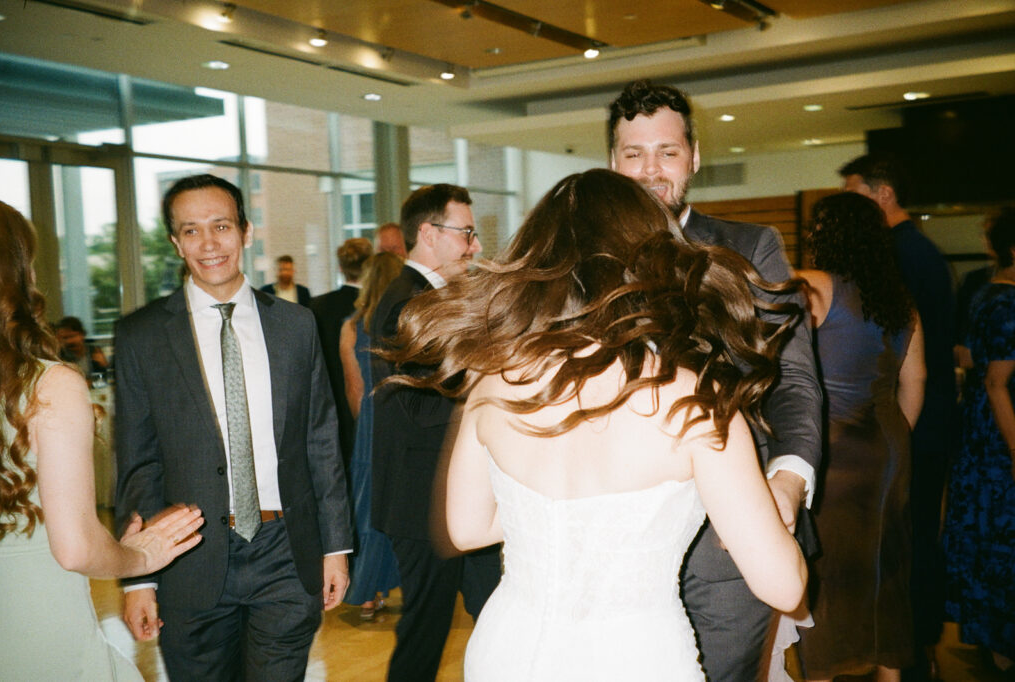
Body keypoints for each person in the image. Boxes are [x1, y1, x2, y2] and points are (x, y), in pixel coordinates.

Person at [383, 169, 807, 680]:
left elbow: (469, 528)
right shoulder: (696, 402)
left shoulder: (492, 382)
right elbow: (783, 587)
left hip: (508, 650)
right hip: (635, 657)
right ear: (655, 257)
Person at [607, 79, 822, 681]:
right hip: (615, 541)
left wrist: (787, 480)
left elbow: (797, 382)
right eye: (634, 154)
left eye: (667, 152)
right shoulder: (582, 264)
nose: (651, 170)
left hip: (727, 541)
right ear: (612, 162)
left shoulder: (752, 247)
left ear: (694, 157)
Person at [113, 174, 352, 680]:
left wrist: (335, 547)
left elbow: (321, 439)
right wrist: (138, 578)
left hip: (286, 550)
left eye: (220, 226)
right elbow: (137, 461)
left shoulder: (296, 324)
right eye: (191, 230)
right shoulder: (141, 336)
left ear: (245, 231)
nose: (209, 244)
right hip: (187, 556)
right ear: (176, 243)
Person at [0, 198, 205, 680]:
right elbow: (75, 549)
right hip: (36, 625)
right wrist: (141, 556)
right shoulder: (47, 384)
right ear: (18, 270)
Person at [370, 183, 501, 681]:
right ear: (428, 233)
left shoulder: (433, 296)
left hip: (457, 496)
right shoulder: (408, 302)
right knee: (426, 633)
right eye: (467, 233)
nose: (476, 245)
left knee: (495, 612)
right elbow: (420, 409)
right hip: (423, 499)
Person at [795, 192, 926, 682]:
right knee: (887, 562)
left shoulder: (812, 286)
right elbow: (917, 380)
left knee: (826, 565)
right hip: (890, 442)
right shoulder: (899, 298)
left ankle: (824, 672)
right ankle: (889, 673)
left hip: (834, 446)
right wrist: (893, 439)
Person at [840, 154, 956, 678]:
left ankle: (909, 655)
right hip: (910, 419)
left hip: (910, 420)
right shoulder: (917, 251)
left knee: (904, 542)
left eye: (855, 193)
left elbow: (912, 365)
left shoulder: (903, 256)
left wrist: (894, 431)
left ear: (882, 193)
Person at [943, 207, 1015, 676]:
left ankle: (998, 650)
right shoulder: (1007, 304)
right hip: (1000, 441)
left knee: (989, 542)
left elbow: (968, 355)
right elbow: (996, 384)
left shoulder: (987, 294)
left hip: (982, 439)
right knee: (1001, 546)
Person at [340, 252, 404, 619]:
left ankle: (367, 593)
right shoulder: (406, 320)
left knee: (366, 510)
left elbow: (354, 387)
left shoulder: (352, 325)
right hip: (405, 421)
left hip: (370, 425)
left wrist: (363, 423)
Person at [311, 237, 375, 469]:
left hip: (325, 410)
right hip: (363, 414)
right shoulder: (373, 310)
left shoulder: (316, 307)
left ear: (340, 267)